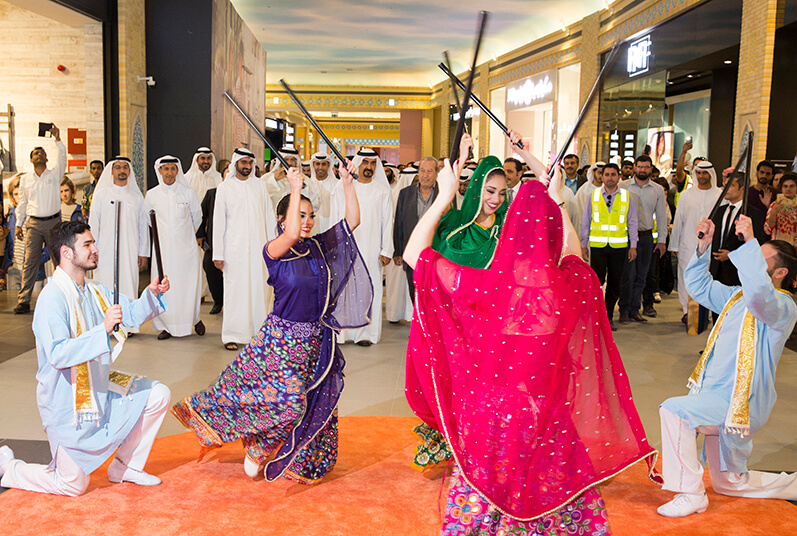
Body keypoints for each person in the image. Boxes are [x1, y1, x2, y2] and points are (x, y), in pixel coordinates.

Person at [404, 157, 656, 534]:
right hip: (549, 415)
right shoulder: (570, 286)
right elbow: (575, 256)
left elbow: (414, 256)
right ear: (551, 230)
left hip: (495, 417)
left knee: (481, 502)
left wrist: (443, 197)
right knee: (554, 499)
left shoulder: (489, 287)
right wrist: (557, 201)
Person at [172, 162, 372, 484]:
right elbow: (291, 233)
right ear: (283, 218)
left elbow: (353, 222)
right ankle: (259, 445)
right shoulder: (274, 250)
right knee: (288, 402)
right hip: (279, 343)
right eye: (300, 214)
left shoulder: (318, 247)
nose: (306, 222)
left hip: (313, 343)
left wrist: (348, 183)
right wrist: (294, 188)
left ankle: (270, 446)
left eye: (310, 216)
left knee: (305, 403)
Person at [0, 221, 171, 496]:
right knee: (72, 484)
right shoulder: (51, 299)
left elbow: (133, 313)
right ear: (66, 253)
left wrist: (152, 294)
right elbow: (58, 353)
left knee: (157, 394)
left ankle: (124, 467)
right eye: (87, 245)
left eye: (94, 243)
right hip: (66, 403)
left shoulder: (95, 291)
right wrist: (101, 330)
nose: (96, 250)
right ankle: (10, 468)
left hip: (99, 385)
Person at [657, 215, 797, 517]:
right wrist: (703, 246)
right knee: (729, 484)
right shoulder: (737, 296)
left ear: (780, 272)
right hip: (715, 395)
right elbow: (699, 286)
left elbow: (761, 297)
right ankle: (793, 486)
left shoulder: (783, 307)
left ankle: (689, 492)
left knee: (674, 411)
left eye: (760, 259)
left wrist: (749, 239)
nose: (751, 263)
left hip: (737, 402)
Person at [213, 148, 278, 351]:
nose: (247, 166)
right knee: (235, 292)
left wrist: (272, 247)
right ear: (235, 164)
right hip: (234, 250)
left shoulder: (260, 186)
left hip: (259, 249)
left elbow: (269, 217)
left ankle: (259, 333)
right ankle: (232, 334)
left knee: (259, 291)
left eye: (250, 162)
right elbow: (218, 222)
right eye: (243, 162)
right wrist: (218, 253)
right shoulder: (225, 188)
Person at [329, 148, 393, 347]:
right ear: (357, 163)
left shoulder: (382, 191)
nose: (369, 167)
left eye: (373, 163)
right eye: (365, 162)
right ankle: (343, 333)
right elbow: (334, 220)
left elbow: (387, 221)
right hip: (345, 249)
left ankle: (365, 334)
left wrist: (386, 250)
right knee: (344, 291)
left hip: (372, 250)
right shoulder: (341, 188)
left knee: (369, 290)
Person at [145, 156, 204, 339]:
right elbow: (149, 220)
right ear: (160, 171)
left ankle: (193, 320)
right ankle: (166, 326)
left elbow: (197, 218)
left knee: (187, 288)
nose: (169, 172)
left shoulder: (188, 193)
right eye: (166, 169)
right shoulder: (152, 194)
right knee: (165, 289)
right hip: (163, 252)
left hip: (186, 251)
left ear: (177, 170)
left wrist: (183, 235)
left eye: (173, 169)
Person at [88, 156, 150, 334]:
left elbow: (142, 227)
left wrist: (143, 252)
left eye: (125, 167)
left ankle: (127, 326)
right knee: (104, 284)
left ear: (129, 171)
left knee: (128, 285)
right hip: (104, 250)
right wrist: (92, 250)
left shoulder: (137, 197)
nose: (121, 171)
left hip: (130, 251)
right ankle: (105, 325)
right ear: (112, 171)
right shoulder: (101, 195)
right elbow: (93, 225)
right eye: (118, 167)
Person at [14, 124, 66, 314]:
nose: (38, 156)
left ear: (46, 158)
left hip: (53, 222)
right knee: (30, 261)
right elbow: (22, 203)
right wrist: (19, 224)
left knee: (58, 261)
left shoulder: (54, 174)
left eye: (41, 153)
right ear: (31, 160)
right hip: (34, 224)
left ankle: (63, 296)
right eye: (35, 154)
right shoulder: (26, 179)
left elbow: (62, 157)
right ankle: (24, 300)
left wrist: (58, 139)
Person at [581, 163, 638, 330]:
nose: (610, 177)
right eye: (607, 174)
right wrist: (583, 244)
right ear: (601, 176)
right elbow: (586, 221)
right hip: (598, 247)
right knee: (597, 283)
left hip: (619, 247)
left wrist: (633, 245)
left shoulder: (627, 197)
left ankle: (608, 316)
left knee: (615, 283)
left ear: (619, 177)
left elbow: (632, 223)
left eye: (613, 174)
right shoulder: (594, 195)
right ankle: (595, 316)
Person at [669, 161, 722, 322]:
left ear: (711, 174)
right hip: (688, 244)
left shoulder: (720, 195)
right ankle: (688, 312)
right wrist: (675, 244)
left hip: (712, 246)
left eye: (705, 173)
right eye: (698, 173)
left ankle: (708, 312)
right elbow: (679, 221)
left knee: (709, 277)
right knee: (687, 277)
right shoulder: (686, 195)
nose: (701, 176)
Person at [618, 155, 668, 324]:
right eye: (639, 166)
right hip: (626, 237)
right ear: (634, 167)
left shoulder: (657, 190)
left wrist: (661, 240)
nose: (642, 170)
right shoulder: (622, 186)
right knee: (627, 275)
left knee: (642, 275)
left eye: (646, 167)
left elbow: (661, 216)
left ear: (651, 169)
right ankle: (623, 310)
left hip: (646, 238)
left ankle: (634, 310)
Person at [393, 156, 439, 300]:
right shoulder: (405, 194)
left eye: (430, 171)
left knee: (434, 296)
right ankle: (418, 321)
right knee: (415, 294)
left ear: (437, 173)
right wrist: (398, 251)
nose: (425, 175)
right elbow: (399, 224)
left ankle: (431, 323)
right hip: (412, 253)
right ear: (418, 172)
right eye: (422, 171)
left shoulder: (444, 194)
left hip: (436, 253)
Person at [385, 162, 414, 324]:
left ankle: (411, 313)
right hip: (396, 240)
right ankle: (394, 314)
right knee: (396, 283)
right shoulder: (395, 194)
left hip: (412, 240)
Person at [197, 171, 224, 315]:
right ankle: (218, 301)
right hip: (213, 241)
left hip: (234, 243)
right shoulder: (212, 194)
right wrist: (200, 235)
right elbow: (202, 215)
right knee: (210, 268)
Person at [574, 161, 604, 242]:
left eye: (604, 173)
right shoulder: (584, 190)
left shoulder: (608, 189)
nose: (601, 176)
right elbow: (579, 211)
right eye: (599, 173)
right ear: (593, 172)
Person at [764, 172, 797, 246]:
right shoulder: (775, 204)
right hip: (779, 246)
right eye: (785, 186)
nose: (788, 189)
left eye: (792, 186)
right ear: (781, 188)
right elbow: (767, 230)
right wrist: (774, 212)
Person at [309, 151, 337, 233]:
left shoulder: (336, 185)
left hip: (330, 228)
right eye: (317, 164)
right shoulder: (307, 185)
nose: (320, 167)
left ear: (329, 165)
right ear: (313, 165)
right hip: (312, 229)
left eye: (323, 164)